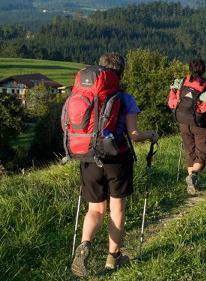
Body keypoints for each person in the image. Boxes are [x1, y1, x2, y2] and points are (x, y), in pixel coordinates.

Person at [71, 53, 159, 277]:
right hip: (116, 158)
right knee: (116, 208)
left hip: (88, 156)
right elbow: (134, 134)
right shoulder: (125, 97)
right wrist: (151, 135)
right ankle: (114, 258)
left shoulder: (84, 93)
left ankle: (85, 245)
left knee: (95, 209)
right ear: (121, 72)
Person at [167, 58, 206, 195]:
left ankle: (192, 183)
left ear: (190, 68)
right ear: (203, 70)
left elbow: (172, 100)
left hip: (183, 122)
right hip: (201, 124)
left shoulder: (181, 82)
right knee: (201, 154)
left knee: (190, 152)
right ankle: (194, 176)